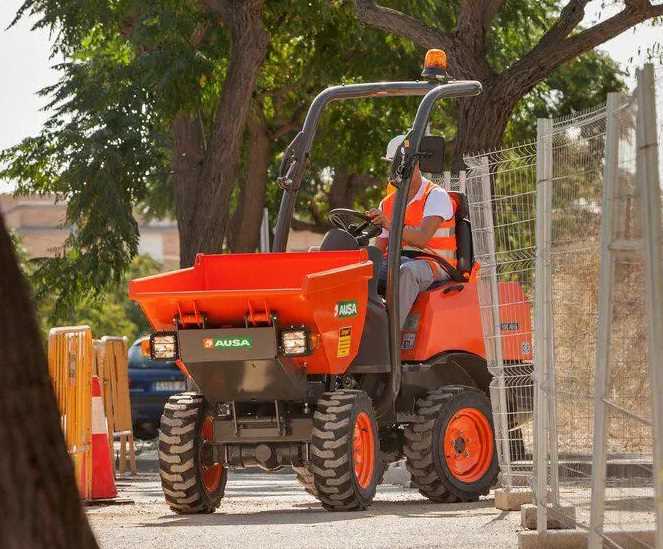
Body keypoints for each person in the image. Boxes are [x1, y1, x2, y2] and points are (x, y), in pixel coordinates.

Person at [367, 134, 457, 328]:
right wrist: (364, 263)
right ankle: (364, 331)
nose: (395, 171)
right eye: (393, 164)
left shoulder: (435, 195)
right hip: (398, 260)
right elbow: (379, 249)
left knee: (406, 273)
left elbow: (422, 238)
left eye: (399, 164)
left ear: (415, 164)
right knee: (363, 272)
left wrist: (389, 224)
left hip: (434, 264)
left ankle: (389, 339)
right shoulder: (388, 203)